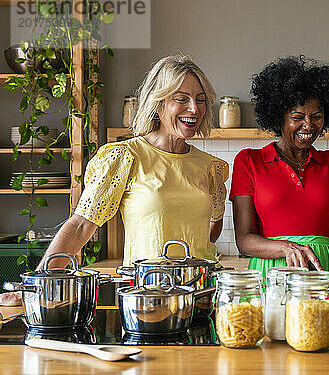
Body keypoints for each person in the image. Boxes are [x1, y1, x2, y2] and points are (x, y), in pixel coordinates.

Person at [0, 54, 228, 306]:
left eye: (200, 100)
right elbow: (81, 226)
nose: (194, 109)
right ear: (158, 103)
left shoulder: (211, 167)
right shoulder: (125, 157)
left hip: (201, 296)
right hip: (146, 298)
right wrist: (34, 285)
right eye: (181, 99)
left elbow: (212, 227)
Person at [230, 56, 329, 288]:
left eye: (317, 117)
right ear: (278, 117)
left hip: (324, 271)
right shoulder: (248, 161)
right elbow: (244, 240)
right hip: (271, 271)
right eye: (297, 117)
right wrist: (286, 247)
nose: (308, 125)